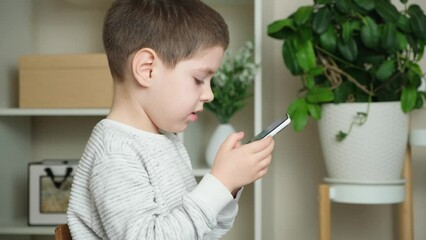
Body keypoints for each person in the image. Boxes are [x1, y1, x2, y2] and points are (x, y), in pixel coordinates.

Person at [67, 0, 275, 239]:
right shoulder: (115, 152)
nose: (209, 95)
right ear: (147, 69)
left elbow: (202, 232)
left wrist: (228, 186)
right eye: (199, 79)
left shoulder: (166, 140)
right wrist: (218, 183)